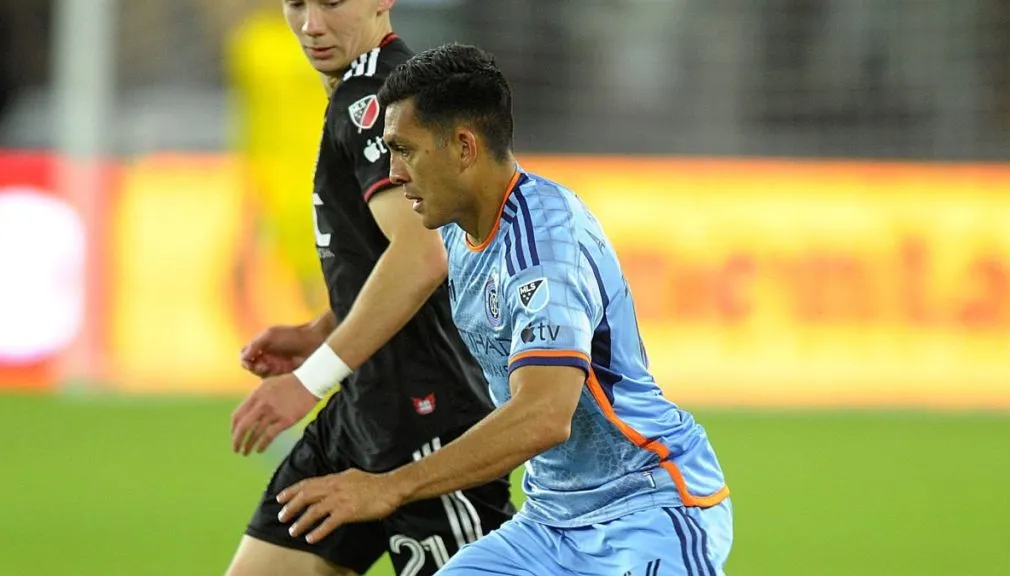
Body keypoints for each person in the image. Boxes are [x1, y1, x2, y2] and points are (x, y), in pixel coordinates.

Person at [275, 43, 734, 575]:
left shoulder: (543, 247)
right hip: (550, 522)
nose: (395, 173)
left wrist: (389, 489)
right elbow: (407, 290)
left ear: (464, 148)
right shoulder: (456, 228)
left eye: (405, 150)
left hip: (646, 507)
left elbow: (543, 415)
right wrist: (323, 332)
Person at [225, 5, 515, 576]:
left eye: (332, 3)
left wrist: (308, 382)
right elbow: (404, 255)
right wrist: (325, 327)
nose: (311, 25)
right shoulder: (384, 89)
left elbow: (421, 256)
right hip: (366, 412)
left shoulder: (376, 102)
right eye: (297, 4)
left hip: (428, 423)